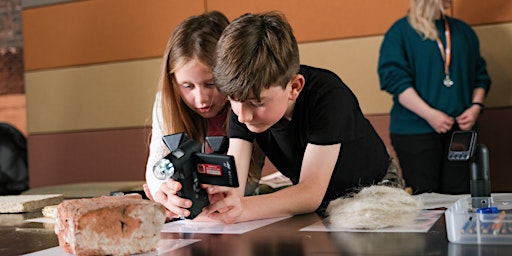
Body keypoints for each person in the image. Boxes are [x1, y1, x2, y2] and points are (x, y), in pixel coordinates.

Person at [199, 11, 404, 224]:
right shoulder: (244, 105)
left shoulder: (329, 96)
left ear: (294, 87)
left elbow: (309, 193)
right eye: (232, 100)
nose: (242, 116)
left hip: (374, 190)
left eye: (257, 102)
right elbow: (235, 185)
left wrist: (241, 208)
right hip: (320, 201)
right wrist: (208, 200)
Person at [144, 11, 263, 220]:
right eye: (187, 86)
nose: (201, 100)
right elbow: (156, 168)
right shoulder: (166, 104)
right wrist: (163, 192)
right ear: (173, 82)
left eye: (211, 84)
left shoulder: (246, 108)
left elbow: (242, 189)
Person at [377, 0, 491, 195]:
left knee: (461, 193)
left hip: (460, 132)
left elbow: (480, 76)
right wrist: (430, 114)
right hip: (416, 131)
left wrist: (475, 107)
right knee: (426, 196)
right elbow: (395, 81)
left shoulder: (463, 31)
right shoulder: (400, 32)